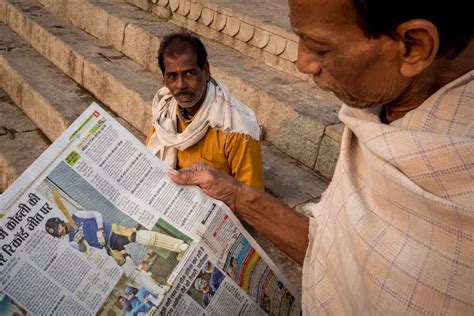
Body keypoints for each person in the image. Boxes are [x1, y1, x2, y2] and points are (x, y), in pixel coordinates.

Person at [167, 0, 474, 314]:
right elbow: (330, 250)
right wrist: (234, 195)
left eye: (320, 48)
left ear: (414, 46)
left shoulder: (458, 177)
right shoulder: (381, 111)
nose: (303, 62)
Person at [145, 32, 264, 190]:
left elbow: (252, 195)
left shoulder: (237, 128)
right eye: (172, 76)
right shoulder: (165, 110)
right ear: (164, 79)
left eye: (189, 73)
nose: (180, 85)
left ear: (206, 71)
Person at [45, 210, 188, 295]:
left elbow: (96, 214)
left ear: (59, 222)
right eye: (57, 233)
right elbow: (84, 250)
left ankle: (180, 246)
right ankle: (159, 290)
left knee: (141, 236)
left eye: (58, 228)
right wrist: (80, 241)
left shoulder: (76, 215)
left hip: (113, 231)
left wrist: (100, 229)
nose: (60, 232)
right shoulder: (71, 240)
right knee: (130, 272)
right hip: (109, 246)